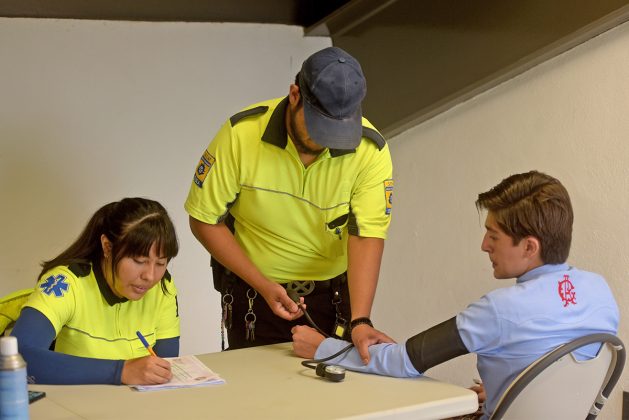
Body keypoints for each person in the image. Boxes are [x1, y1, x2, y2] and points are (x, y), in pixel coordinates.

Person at [291, 170, 619, 420]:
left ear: (530, 246)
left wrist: (323, 348)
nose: (484, 245)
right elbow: (561, 365)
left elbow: (403, 362)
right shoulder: (600, 291)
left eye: (494, 235)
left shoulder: (500, 311)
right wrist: (507, 394)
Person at [184, 46, 394, 359]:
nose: (324, 141)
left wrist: (360, 319)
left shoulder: (369, 149)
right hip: (254, 290)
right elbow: (203, 218)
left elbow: (366, 234)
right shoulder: (241, 135)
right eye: (318, 128)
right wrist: (263, 284)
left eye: (337, 131)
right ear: (295, 95)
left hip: (334, 295)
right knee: (260, 397)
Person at [11, 197, 181, 385]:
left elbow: (165, 365)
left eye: (161, 263)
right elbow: (17, 357)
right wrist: (121, 371)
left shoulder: (162, 286)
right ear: (107, 247)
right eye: (139, 261)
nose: (150, 275)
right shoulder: (67, 283)